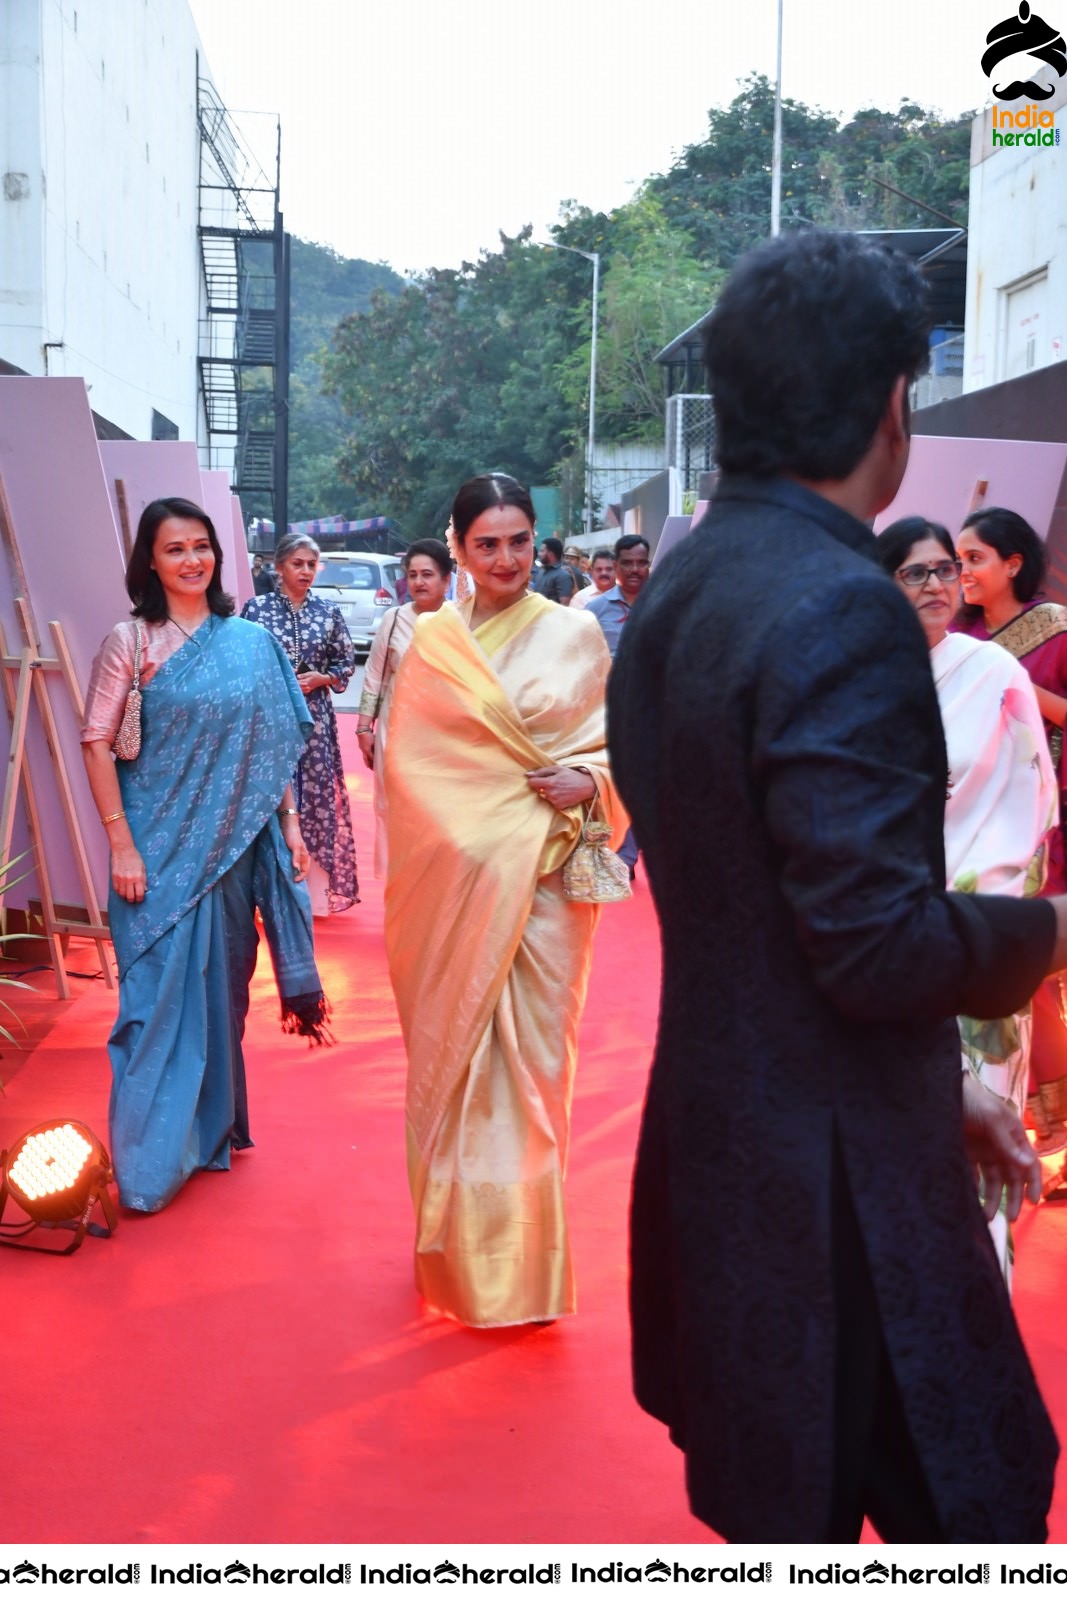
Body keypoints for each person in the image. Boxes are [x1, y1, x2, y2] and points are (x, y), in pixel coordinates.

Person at [609, 229, 1063, 1543]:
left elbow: (784, 915)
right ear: (888, 404)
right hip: (835, 1193)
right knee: (966, 1509)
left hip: (731, 1145)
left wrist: (947, 1085)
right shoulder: (836, 601)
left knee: (787, 1511)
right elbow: (869, 945)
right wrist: (1050, 931)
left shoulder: (685, 583)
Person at [383, 472, 625, 1328]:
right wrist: (471, 843)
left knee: (533, 1074)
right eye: (485, 544)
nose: (505, 559)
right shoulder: (434, 642)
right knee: (454, 1064)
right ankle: (455, 1254)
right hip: (453, 892)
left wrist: (587, 778)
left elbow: (613, 744)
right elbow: (407, 774)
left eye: (518, 541)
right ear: (457, 548)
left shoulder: (576, 635)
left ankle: (522, 1270)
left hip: (550, 883)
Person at [81, 497, 330, 1214]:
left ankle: (203, 1134)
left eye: (201, 546)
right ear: (149, 563)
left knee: (218, 997)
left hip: (229, 855)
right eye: (174, 549)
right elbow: (96, 742)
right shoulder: (129, 643)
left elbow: (272, 745)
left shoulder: (249, 644)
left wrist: (288, 825)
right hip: (154, 855)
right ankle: (147, 1161)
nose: (191, 561)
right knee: (152, 1006)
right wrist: (120, 843)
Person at [876, 515, 1057, 1281]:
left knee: (977, 1141)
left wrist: (974, 904)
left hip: (977, 937)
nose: (936, 585)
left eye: (946, 570)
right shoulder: (851, 680)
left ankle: (977, 1304)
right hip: (878, 932)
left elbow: (1032, 805)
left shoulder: (996, 676)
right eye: (915, 573)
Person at [955, 507, 1067, 1156]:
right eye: (956, 561)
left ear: (1012, 565)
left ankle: (1053, 1128)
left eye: (973, 560)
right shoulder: (957, 632)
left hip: (1040, 824)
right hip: (969, 820)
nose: (960, 573)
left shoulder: (1053, 634)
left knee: (1030, 973)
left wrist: (1012, 684)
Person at [242, 533, 359, 916]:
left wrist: (321, 679)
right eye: (298, 563)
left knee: (317, 796)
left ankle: (313, 895)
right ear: (279, 567)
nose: (306, 571)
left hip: (316, 721)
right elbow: (242, 664)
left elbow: (345, 663)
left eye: (311, 564)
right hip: (270, 719)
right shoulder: (256, 611)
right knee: (270, 792)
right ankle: (263, 890)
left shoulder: (328, 613)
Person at [356, 538, 451, 877]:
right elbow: (374, 677)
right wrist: (364, 727)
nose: (419, 582)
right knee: (393, 810)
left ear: (446, 580)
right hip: (395, 734)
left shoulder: (460, 623)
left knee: (438, 814)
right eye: (413, 575)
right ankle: (399, 889)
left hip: (444, 739)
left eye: (428, 574)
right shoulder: (394, 619)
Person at [585, 534, 651, 656]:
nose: (635, 569)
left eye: (641, 563)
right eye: (627, 563)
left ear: (649, 565)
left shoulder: (666, 606)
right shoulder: (595, 609)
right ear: (616, 566)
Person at [533, 536, 577, 605]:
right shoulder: (541, 572)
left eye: (542, 551)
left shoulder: (563, 576)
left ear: (550, 553)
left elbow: (564, 606)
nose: (539, 554)